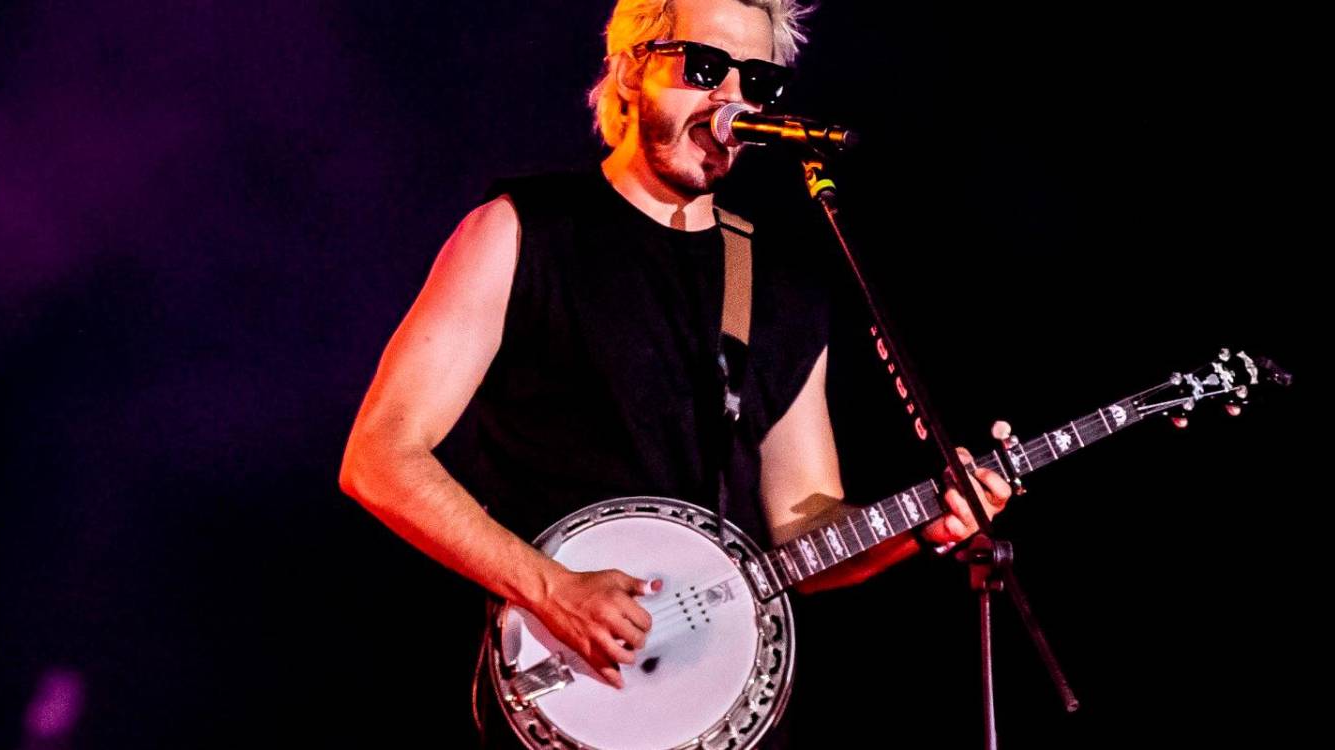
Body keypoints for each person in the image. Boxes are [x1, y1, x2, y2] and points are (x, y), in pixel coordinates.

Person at [338, 0, 1012, 745]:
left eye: (756, 81)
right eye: (703, 68)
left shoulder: (785, 293)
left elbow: (804, 532)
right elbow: (379, 456)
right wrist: (551, 589)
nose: (731, 98)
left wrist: (922, 527)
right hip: (562, 702)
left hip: (726, 716)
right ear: (630, 71)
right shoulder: (522, 230)